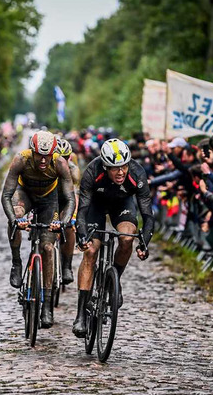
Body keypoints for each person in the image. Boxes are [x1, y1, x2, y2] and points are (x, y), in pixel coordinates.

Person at [73, 138, 154, 338]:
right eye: (115, 168)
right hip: (96, 206)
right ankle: (81, 314)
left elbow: (148, 215)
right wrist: (82, 235)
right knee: (91, 251)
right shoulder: (92, 172)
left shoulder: (137, 173)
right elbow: (82, 211)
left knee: (127, 238)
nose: (120, 172)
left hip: (122, 204)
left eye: (124, 167)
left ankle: (114, 279)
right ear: (105, 166)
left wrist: (144, 242)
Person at [1, 131, 75, 328]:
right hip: (25, 194)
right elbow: (6, 195)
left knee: (48, 248)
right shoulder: (21, 160)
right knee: (16, 215)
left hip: (49, 200)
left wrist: (63, 222)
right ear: (31, 151)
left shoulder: (60, 163)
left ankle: (47, 306)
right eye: (39, 155)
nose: (43, 160)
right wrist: (15, 221)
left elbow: (69, 199)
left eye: (47, 155)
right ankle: (16, 263)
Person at [55, 138, 80, 284]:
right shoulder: (45, 166)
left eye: (65, 157)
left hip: (65, 200)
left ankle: (67, 266)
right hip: (47, 200)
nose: (62, 161)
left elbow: (74, 196)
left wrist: (73, 215)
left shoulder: (73, 170)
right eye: (59, 157)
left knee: (69, 227)